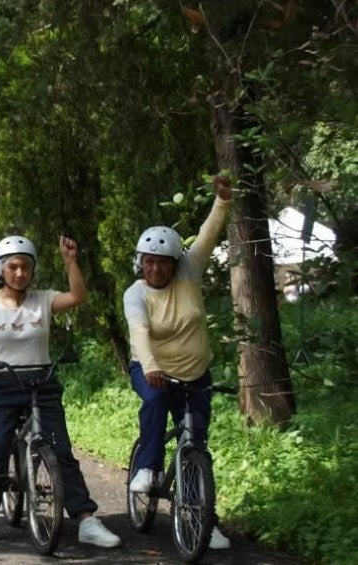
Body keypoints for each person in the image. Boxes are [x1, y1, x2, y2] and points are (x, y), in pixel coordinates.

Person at [0, 235, 122, 549]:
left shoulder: (44, 299)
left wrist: (70, 261)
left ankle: (86, 520)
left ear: (32, 270)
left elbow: (77, 296)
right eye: (13, 266)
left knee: (60, 449)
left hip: (41, 382)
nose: (20, 273)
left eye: (25, 267)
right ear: (1, 269)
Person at [124, 175, 233, 550]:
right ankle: (147, 469)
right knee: (154, 402)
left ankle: (205, 519)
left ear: (175, 263)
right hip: (151, 370)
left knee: (196, 446)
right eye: (149, 262)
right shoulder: (135, 294)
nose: (156, 269)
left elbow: (207, 235)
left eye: (163, 263)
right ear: (141, 262)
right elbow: (138, 331)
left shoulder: (189, 271)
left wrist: (221, 201)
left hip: (196, 372)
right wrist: (151, 366)